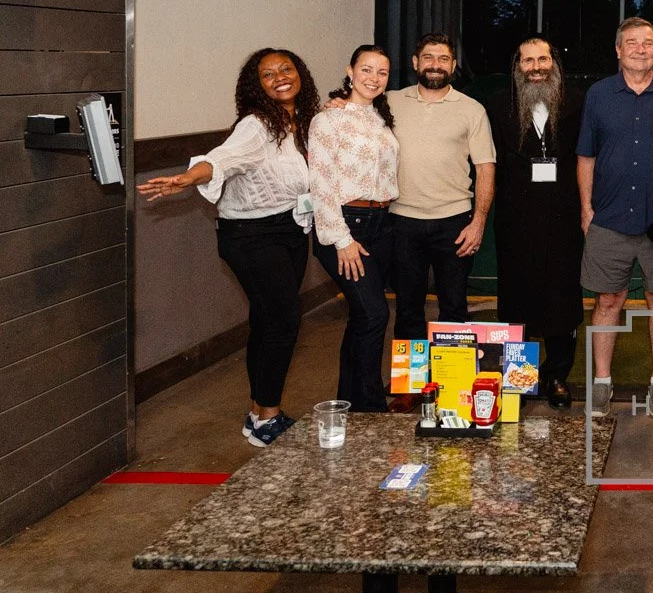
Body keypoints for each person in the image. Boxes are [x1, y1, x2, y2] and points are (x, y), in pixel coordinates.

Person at [137, 48, 320, 447]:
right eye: (268, 74)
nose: (280, 77)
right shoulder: (257, 126)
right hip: (251, 236)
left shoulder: (301, 123)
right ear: (256, 86)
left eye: (286, 69)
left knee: (269, 319)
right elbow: (222, 159)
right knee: (284, 320)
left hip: (289, 229)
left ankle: (259, 412)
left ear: (300, 73)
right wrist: (187, 178)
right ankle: (267, 417)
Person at [579, 17, 653, 418]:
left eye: (647, 43)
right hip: (609, 217)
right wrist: (586, 208)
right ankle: (602, 382)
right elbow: (586, 154)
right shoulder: (599, 94)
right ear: (618, 50)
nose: (640, 49)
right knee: (608, 300)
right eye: (632, 43)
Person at [487, 37, 585, 409]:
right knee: (517, 299)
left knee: (562, 299)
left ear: (554, 63)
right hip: (516, 220)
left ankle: (557, 375)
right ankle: (520, 379)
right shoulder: (497, 106)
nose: (536, 67)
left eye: (543, 58)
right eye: (527, 60)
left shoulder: (577, 102)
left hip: (564, 218)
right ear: (517, 67)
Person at [385, 33, 496, 341]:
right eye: (429, 58)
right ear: (415, 62)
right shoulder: (390, 101)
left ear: (454, 65)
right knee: (407, 308)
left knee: (454, 307)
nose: (436, 65)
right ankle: (412, 386)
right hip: (402, 221)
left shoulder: (472, 109)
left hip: (455, 222)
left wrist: (478, 222)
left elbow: (485, 167)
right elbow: (353, 110)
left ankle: (451, 383)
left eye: (443, 59)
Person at [307, 45, 399, 414]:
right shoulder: (328, 120)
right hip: (346, 227)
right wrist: (342, 239)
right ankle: (371, 409)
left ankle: (348, 403)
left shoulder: (380, 117)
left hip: (381, 225)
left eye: (382, 72)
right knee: (375, 315)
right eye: (367, 69)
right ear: (350, 70)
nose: (374, 78)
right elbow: (321, 183)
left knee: (364, 317)